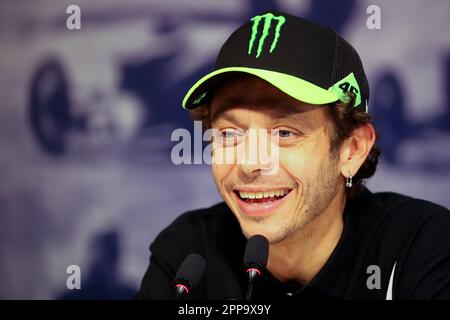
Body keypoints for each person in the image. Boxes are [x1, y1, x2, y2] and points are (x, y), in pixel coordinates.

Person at [135, 11, 450, 300]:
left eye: (285, 133)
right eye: (229, 135)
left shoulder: (422, 247)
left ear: (352, 149)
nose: (249, 163)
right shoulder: (189, 254)